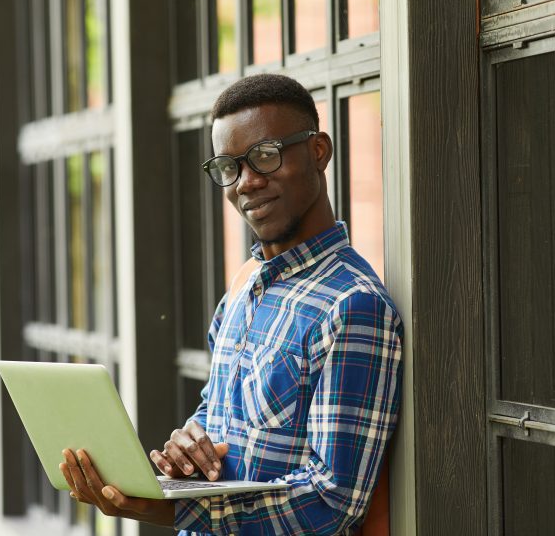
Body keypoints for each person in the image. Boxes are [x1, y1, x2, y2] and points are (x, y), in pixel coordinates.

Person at [57, 74, 403, 534]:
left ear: (318, 151)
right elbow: (217, 416)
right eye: (229, 167)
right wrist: (188, 448)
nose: (247, 182)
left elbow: (332, 502)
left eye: (265, 156)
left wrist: (170, 510)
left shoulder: (354, 306)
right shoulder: (244, 286)